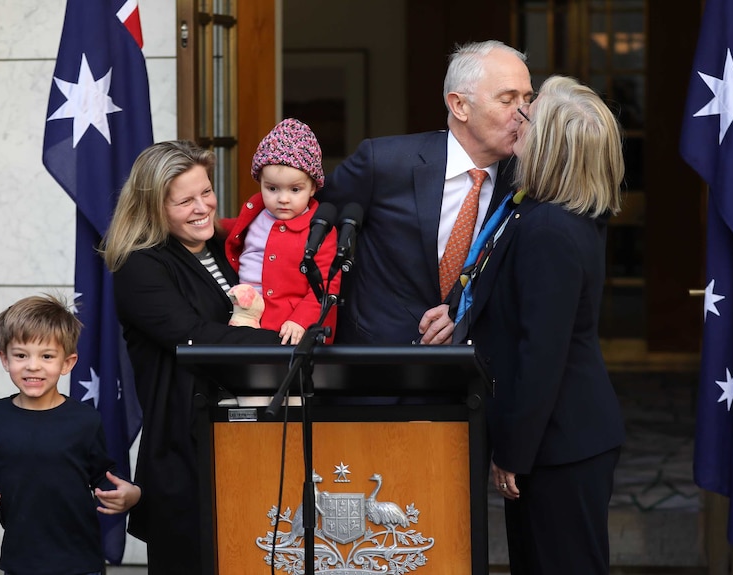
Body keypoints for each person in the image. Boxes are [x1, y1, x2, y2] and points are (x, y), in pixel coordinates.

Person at [461, 75, 626, 574]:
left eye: (528, 116)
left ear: (549, 143)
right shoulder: (547, 210)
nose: (518, 118)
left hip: (560, 444)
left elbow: (542, 354)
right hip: (560, 439)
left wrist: (513, 451)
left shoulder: (549, 227)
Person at [102, 140, 282, 574]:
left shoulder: (225, 246)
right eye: (185, 200)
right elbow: (196, 336)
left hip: (243, 436)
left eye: (206, 191)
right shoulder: (138, 265)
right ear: (153, 207)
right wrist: (287, 345)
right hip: (185, 447)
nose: (203, 206)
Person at [319, 40, 533, 344]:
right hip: (377, 369)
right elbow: (307, 223)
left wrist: (465, 315)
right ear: (460, 106)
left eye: (527, 99)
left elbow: (527, 278)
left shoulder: (526, 181)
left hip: (474, 373)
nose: (523, 113)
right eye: (507, 100)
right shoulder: (384, 163)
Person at [0, 294, 141, 575]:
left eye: (46, 356)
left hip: (79, 561)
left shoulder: (85, 420)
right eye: (21, 355)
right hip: (20, 559)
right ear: (4, 359)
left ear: (67, 363)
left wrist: (131, 494)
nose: (33, 366)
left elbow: (103, 476)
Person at [221, 118, 340, 343]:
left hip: (291, 327)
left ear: (313, 187)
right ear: (260, 182)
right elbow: (234, 227)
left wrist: (301, 319)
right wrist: (211, 225)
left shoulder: (319, 229)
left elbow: (326, 284)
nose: (282, 199)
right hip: (248, 317)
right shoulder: (255, 211)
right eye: (272, 188)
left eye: (295, 189)